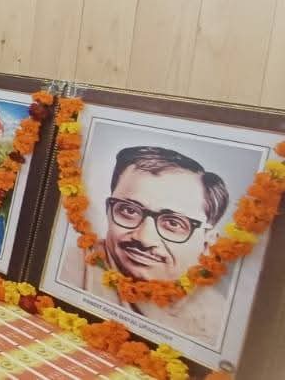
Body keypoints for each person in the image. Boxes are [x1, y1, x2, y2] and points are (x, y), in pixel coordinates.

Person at [59, 145, 229, 342]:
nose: (144, 238)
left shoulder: (219, 322)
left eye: (173, 223)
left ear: (208, 244)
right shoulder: (67, 268)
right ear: (108, 211)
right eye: (129, 211)